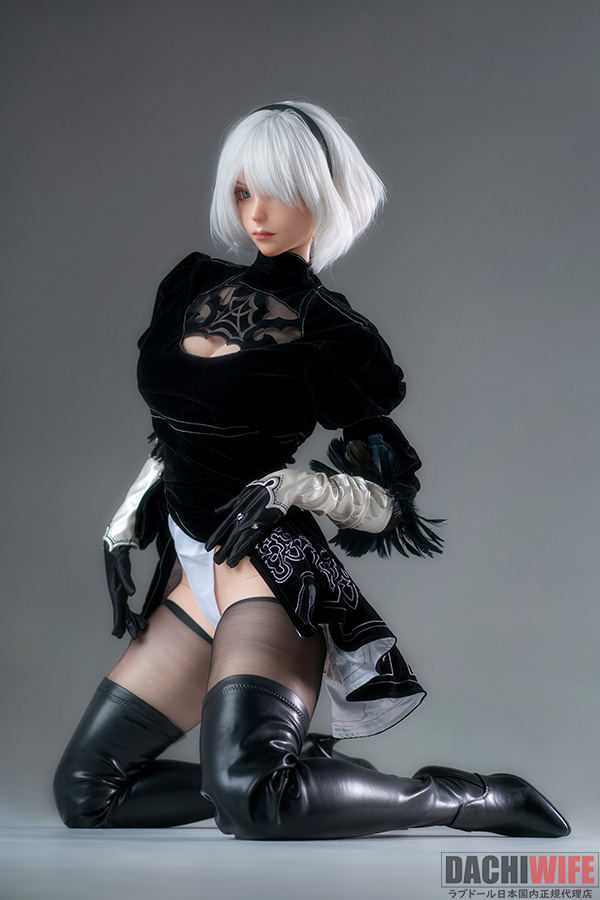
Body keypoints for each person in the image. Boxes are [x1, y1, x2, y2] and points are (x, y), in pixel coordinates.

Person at [53, 100, 570, 839]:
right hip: (193, 568)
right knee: (88, 793)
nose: (257, 213)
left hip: (270, 576)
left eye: (279, 191)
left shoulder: (332, 332)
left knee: (254, 801)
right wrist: (123, 523)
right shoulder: (191, 284)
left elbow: (391, 504)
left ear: (324, 195)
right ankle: (299, 770)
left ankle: (466, 798)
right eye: (243, 192)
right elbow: (177, 434)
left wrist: (295, 485)